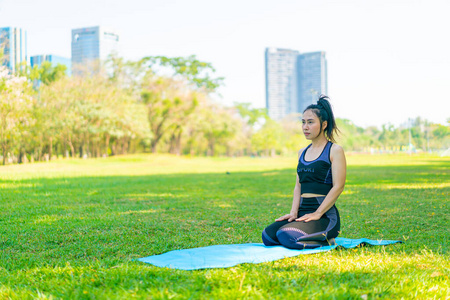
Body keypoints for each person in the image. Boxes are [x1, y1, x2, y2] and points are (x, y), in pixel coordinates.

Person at [262, 95, 347, 249]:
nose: (305, 127)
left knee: (286, 235)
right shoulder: (302, 152)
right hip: (302, 213)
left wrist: (318, 213)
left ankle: (327, 240)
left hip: (325, 216)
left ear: (324, 124)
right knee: (267, 236)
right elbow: (298, 186)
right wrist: (293, 212)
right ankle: (306, 234)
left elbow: (338, 186)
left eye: (310, 122)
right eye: (303, 122)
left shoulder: (334, 150)